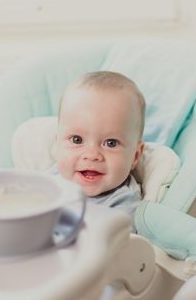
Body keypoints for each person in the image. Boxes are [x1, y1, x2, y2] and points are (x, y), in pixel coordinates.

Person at [53, 71, 146, 231]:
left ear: (135, 156)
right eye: (77, 140)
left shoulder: (123, 205)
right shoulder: (52, 179)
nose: (92, 155)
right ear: (57, 145)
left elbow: (107, 247)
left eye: (110, 143)